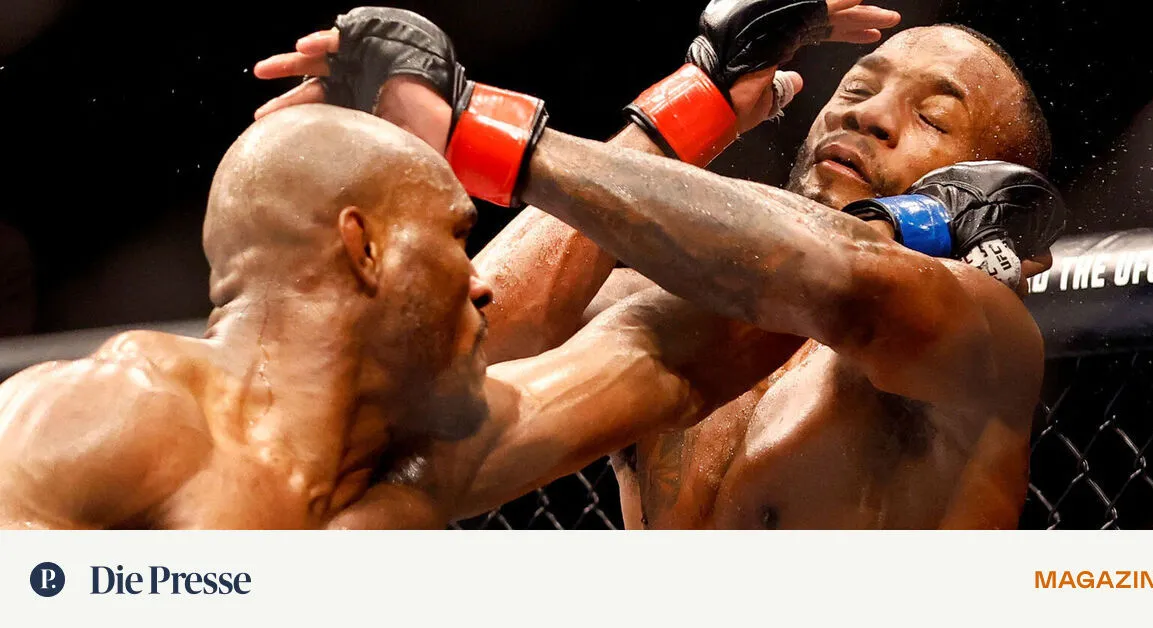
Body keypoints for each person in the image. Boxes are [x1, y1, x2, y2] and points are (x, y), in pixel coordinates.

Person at [256, 1, 1065, 528]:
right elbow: (445, 361)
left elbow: (845, 275)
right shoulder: (673, 324)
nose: (869, 115)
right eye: (856, 88)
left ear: (1001, 199)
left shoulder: (984, 344)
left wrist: (472, 128)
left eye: (933, 117)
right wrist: (695, 102)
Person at [0, 104, 798, 529]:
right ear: (365, 248)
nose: (482, 283)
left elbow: (672, 348)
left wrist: (703, 99)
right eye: (455, 237)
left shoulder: (430, 465)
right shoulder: (106, 418)